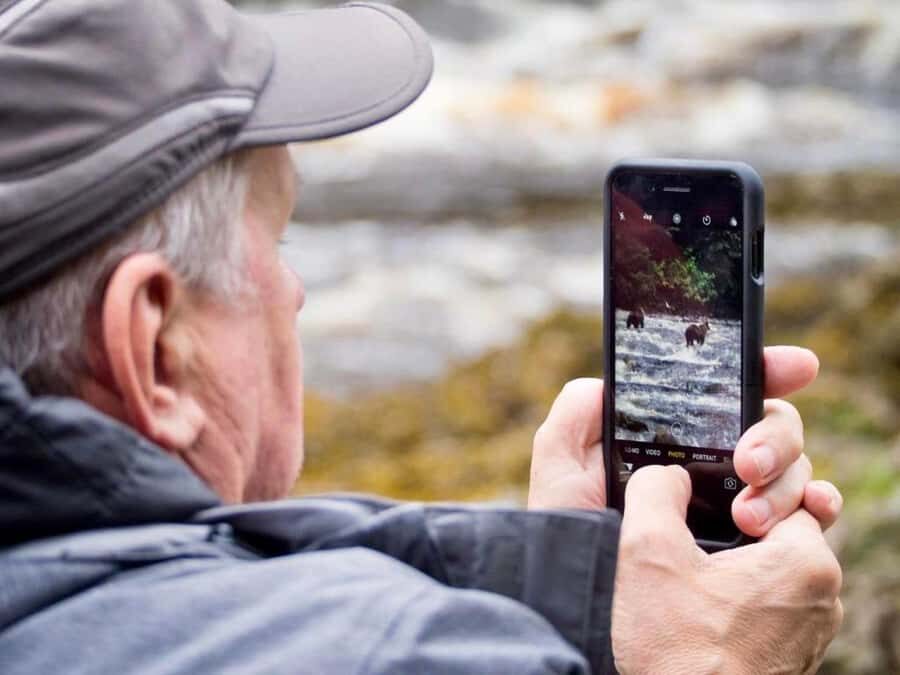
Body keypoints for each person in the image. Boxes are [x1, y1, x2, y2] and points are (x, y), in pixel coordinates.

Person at [0, 1, 842, 673]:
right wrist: (710, 659)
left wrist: (583, 598)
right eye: (276, 242)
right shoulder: (391, 647)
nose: (292, 292)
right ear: (155, 349)